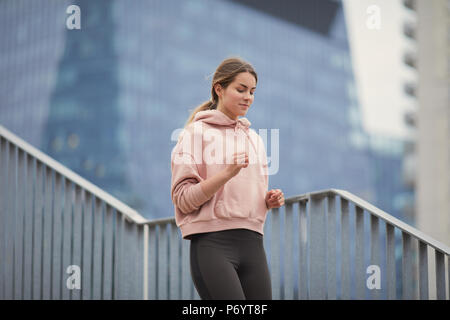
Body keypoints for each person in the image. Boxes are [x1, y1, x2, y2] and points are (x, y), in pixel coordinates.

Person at [170, 56, 285, 300]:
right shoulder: (194, 134)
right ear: (219, 89)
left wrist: (267, 200)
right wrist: (226, 174)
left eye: (252, 91)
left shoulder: (255, 139)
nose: (248, 97)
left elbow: (243, 191)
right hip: (212, 245)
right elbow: (182, 199)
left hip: (253, 244)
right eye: (241, 89)